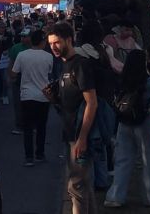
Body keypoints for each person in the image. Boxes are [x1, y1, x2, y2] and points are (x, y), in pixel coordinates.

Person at [49, 22, 99, 214]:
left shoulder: (80, 65)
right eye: (51, 43)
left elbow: (91, 102)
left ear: (69, 40)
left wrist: (82, 138)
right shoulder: (63, 65)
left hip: (79, 137)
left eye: (57, 42)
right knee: (83, 185)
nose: (53, 47)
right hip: (70, 133)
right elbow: (69, 104)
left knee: (76, 186)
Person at [104, 50, 150, 208]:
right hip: (145, 122)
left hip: (124, 121)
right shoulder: (149, 83)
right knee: (148, 161)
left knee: (122, 160)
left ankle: (115, 196)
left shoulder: (122, 80)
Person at [11, 29, 53, 166]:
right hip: (43, 95)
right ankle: (40, 154)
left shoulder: (22, 55)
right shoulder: (48, 57)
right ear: (43, 41)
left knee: (28, 128)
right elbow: (50, 72)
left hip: (26, 95)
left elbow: (14, 72)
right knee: (41, 127)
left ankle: (29, 157)